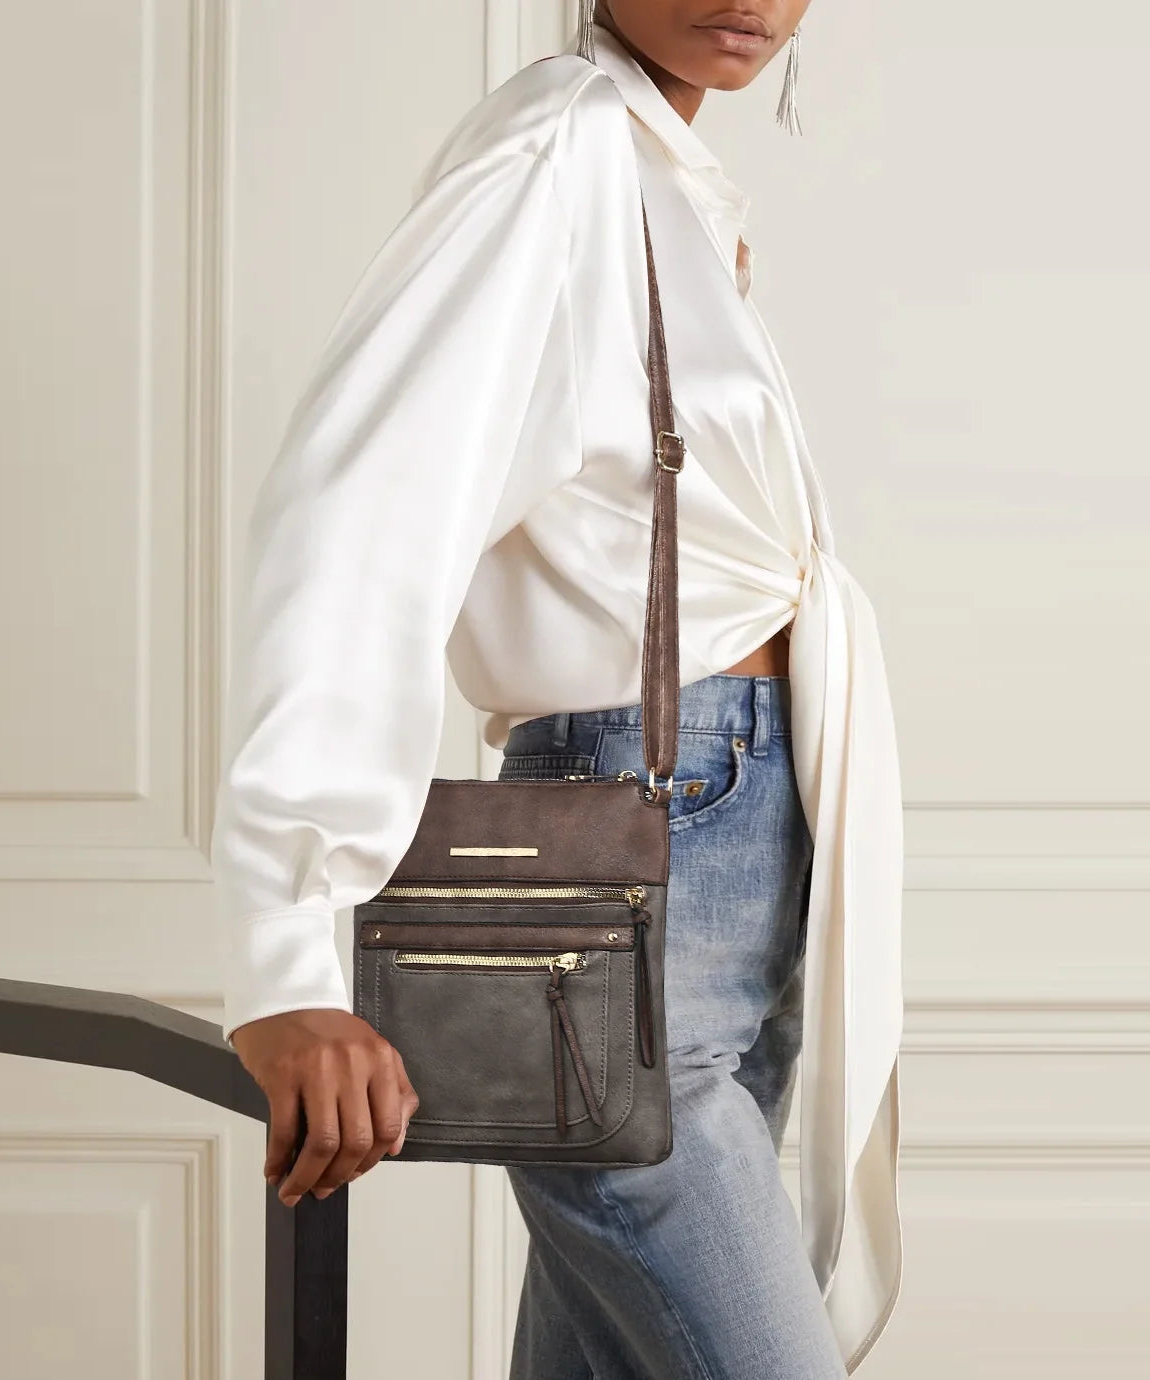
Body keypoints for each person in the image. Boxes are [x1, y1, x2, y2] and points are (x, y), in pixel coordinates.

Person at [212, 2, 905, 1376]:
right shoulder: (557, 149)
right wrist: (285, 947)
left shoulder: (665, 179)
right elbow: (361, 507)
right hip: (644, 821)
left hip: (739, 840)